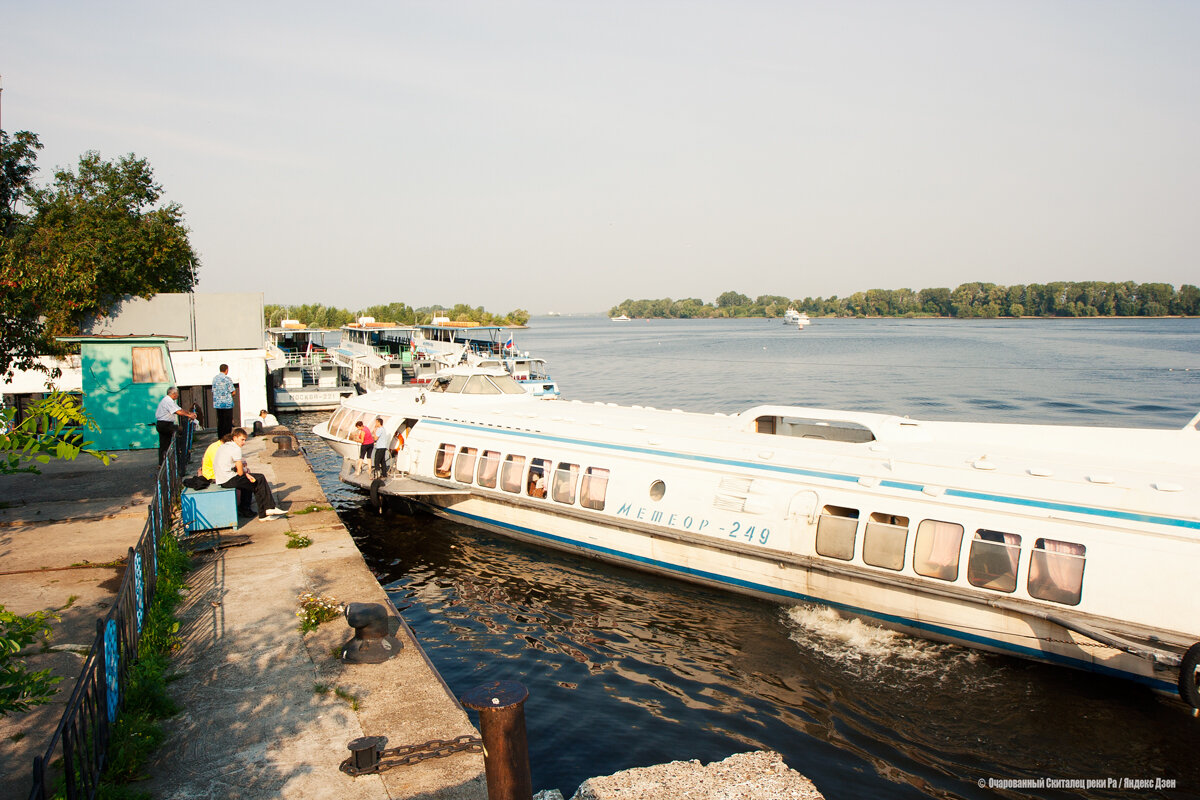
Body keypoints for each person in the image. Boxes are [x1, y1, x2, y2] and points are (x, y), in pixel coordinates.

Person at [213, 428, 286, 519]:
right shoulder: (235, 449)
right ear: (235, 438)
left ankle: (250, 511)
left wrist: (246, 474)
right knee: (259, 479)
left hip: (221, 479)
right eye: (242, 440)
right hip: (228, 479)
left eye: (245, 440)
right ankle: (267, 509)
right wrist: (245, 473)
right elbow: (240, 473)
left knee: (250, 482)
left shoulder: (225, 446)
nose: (243, 443)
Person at [155, 387, 197, 464]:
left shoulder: (168, 400)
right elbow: (178, 412)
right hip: (165, 424)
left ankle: (162, 463)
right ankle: (181, 451)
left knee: (164, 444)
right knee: (181, 431)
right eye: (177, 393)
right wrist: (189, 416)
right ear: (173, 394)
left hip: (162, 424)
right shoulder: (168, 401)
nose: (177, 395)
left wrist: (189, 413)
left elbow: (180, 409)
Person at [212, 364, 236, 439]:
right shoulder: (227, 379)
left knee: (220, 422)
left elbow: (213, 391)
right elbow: (233, 392)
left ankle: (220, 438)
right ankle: (227, 437)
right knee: (227, 422)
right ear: (226, 370)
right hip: (227, 404)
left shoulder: (215, 379)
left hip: (218, 404)